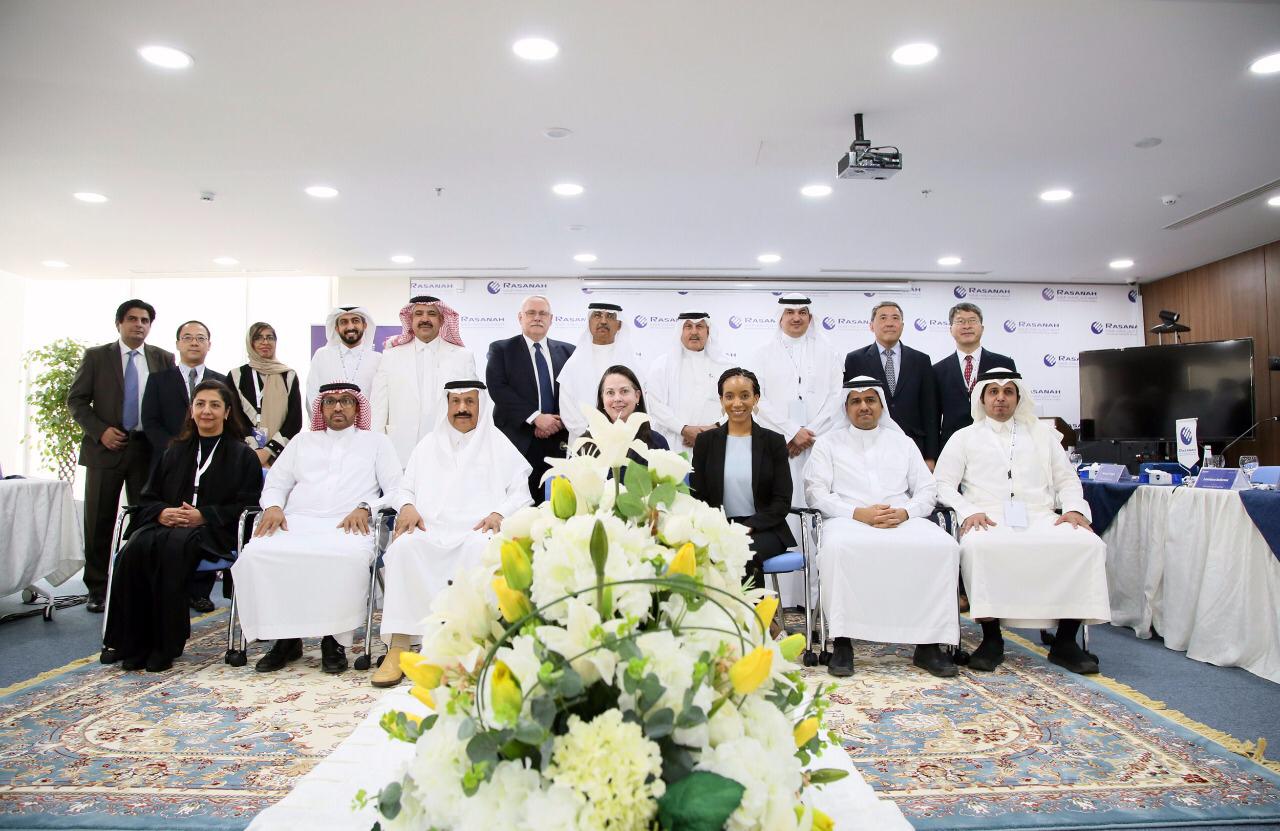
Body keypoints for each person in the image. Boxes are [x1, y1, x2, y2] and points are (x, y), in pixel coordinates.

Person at [934, 368, 1110, 675]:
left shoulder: (1044, 436)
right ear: (982, 399)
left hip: (1040, 514)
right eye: (993, 392)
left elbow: (1067, 480)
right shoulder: (964, 437)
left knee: (1087, 544)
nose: (1000, 398)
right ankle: (992, 640)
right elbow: (942, 485)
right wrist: (967, 510)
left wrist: (1074, 509)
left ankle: (1065, 642)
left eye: (1008, 392)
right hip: (987, 516)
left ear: (1018, 397)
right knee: (979, 547)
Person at [232, 382, 402, 674]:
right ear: (320, 408)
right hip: (296, 521)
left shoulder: (377, 442)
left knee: (345, 558)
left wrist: (367, 507)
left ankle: (333, 641)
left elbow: (397, 489)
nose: (338, 407)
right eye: (330, 402)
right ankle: (285, 639)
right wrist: (273, 506)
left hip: (350, 525)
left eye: (346, 401)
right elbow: (275, 484)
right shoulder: (301, 442)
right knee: (256, 554)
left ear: (357, 407)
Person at [371, 380, 533, 687]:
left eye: (469, 402)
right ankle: (399, 646)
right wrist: (407, 505)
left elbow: (521, 494)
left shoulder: (497, 444)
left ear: (480, 405)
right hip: (430, 529)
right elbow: (404, 488)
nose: (462, 408)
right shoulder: (427, 445)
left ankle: (476, 646)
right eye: (455, 402)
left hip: (477, 529)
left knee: (482, 549)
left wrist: (499, 514)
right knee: (403, 548)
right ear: (446, 406)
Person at [803, 377, 960, 679]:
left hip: (900, 518)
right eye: (856, 401)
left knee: (943, 546)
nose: (864, 406)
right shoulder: (827, 444)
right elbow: (816, 493)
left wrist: (905, 512)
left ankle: (928, 645)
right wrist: (857, 513)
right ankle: (843, 642)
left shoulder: (903, 443)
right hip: (847, 520)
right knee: (837, 549)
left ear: (881, 406)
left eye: (870, 400)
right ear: (846, 408)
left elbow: (928, 489)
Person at [101, 380, 262, 672]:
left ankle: (165, 645)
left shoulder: (243, 455)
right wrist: (162, 513)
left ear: (227, 412)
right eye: (200, 404)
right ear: (191, 410)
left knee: (172, 550)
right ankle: (130, 643)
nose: (206, 411)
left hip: (214, 530)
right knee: (135, 548)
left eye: (215, 405)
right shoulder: (174, 451)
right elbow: (149, 496)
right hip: (168, 524)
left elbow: (248, 505)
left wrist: (204, 515)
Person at [67, 299, 174, 614]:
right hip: (106, 448)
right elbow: (76, 401)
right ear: (119, 323)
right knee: (99, 520)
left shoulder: (162, 358)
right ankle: (97, 587)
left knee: (145, 520)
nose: (139, 324)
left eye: (145, 320)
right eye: (132, 319)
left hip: (147, 450)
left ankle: (138, 582)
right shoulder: (97, 357)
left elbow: (170, 403)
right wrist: (100, 431)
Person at [140, 319, 229, 612]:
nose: (194, 342)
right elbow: (150, 421)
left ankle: (199, 592)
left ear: (209, 345)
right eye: (188, 337)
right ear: (177, 343)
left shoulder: (221, 380)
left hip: (211, 463)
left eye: (200, 338)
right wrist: (177, 450)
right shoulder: (159, 380)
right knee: (165, 529)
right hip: (171, 464)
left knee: (201, 524)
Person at [690, 368, 795, 591]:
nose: (737, 403)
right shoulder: (705, 442)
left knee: (743, 553)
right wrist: (719, 527)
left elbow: (782, 500)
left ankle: (754, 612)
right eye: (729, 396)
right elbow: (698, 495)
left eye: (744, 395)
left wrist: (748, 526)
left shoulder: (774, 442)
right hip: (719, 527)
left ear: (756, 399)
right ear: (721, 400)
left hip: (764, 529)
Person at [486, 295, 575, 502]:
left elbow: (574, 392)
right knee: (518, 506)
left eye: (543, 313)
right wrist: (535, 418)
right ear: (520, 317)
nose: (537, 317)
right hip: (518, 441)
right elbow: (498, 389)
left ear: (551, 319)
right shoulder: (501, 350)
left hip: (559, 441)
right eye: (531, 313)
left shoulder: (569, 352)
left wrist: (555, 422)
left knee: (557, 506)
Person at [371, 295, 478, 465]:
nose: (425, 319)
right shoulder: (391, 357)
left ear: (442, 320)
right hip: (399, 452)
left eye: (432, 314)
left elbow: (472, 406)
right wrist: (377, 450)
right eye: (419, 314)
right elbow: (378, 408)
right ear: (410, 320)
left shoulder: (462, 357)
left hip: (449, 451)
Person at [844, 301, 941, 467]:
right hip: (868, 445)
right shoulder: (855, 360)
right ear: (871, 326)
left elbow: (930, 411)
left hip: (913, 445)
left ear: (902, 325)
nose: (889, 323)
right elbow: (849, 406)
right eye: (883, 318)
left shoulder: (921, 360)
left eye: (895, 318)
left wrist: (930, 456)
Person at [933, 303, 1017, 451]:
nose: (967, 326)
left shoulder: (1004, 364)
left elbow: (1013, 405)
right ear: (951, 329)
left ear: (982, 328)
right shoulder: (937, 370)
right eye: (960, 321)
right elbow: (933, 417)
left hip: (996, 444)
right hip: (952, 446)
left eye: (972, 320)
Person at [646, 311, 733, 452]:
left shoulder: (725, 366)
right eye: (688, 326)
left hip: (715, 442)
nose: (694, 332)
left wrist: (715, 428)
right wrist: (683, 429)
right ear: (680, 331)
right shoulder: (662, 365)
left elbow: (736, 404)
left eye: (699, 326)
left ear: (708, 331)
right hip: (673, 444)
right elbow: (654, 404)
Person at [557, 302, 643, 444]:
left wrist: (621, 436)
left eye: (610, 316)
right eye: (597, 315)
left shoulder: (631, 363)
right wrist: (595, 438)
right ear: (589, 322)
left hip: (626, 443)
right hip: (585, 445)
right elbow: (568, 412)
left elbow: (640, 406)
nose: (603, 321)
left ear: (619, 324)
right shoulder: (573, 364)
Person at [228, 322, 303, 468]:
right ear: (250, 343)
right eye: (258, 338)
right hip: (244, 451)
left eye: (270, 337)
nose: (265, 342)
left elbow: (294, 421)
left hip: (281, 455)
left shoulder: (288, 375)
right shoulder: (236, 375)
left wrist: (268, 451)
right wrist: (254, 450)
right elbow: (234, 416)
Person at [578, 365, 669, 465]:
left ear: (637, 396)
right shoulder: (586, 444)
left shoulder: (656, 443)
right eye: (610, 392)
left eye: (624, 391)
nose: (617, 398)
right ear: (602, 398)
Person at [307, 305, 381, 408]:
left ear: (364, 325)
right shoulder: (322, 356)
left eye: (355, 321)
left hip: (369, 419)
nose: (350, 327)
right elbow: (312, 393)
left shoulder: (377, 359)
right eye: (344, 322)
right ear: (337, 328)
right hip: (329, 418)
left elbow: (380, 399)